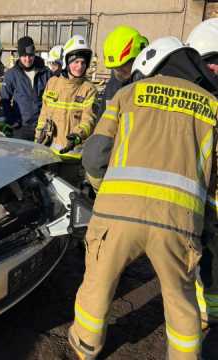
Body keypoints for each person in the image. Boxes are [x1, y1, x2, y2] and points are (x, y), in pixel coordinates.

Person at [68, 36, 218, 360]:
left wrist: (99, 189)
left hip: (115, 216)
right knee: (181, 301)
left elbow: (94, 156)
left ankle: (85, 347)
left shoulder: (126, 94)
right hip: (178, 224)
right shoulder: (213, 106)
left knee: (97, 286)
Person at [187, 17, 218, 330]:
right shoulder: (196, 100)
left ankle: (209, 309)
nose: (213, 70)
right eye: (208, 63)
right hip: (198, 198)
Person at [35, 35, 98, 187]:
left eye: (83, 62)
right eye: (76, 62)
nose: (80, 66)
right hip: (48, 153)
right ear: (67, 62)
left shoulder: (88, 89)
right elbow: (44, 113)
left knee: (68, 197)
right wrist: (38, 137)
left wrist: (77, 135)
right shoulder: (52, 83)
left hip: (72, 157)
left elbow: (89, 119)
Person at [0, 36, 50, 140]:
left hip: (42, 127)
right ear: (19, 55)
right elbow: (4, 100)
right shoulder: (11, 74)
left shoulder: (45, 73)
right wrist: (12, 120)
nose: (28, 59)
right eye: (24, 56)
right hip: (21, 128)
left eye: (30, 55)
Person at [96, 25, 148, 121]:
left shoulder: (150, 88)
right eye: (115, 68)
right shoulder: (112, 87)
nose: (119, 71)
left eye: (124, 66)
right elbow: (101, 122)